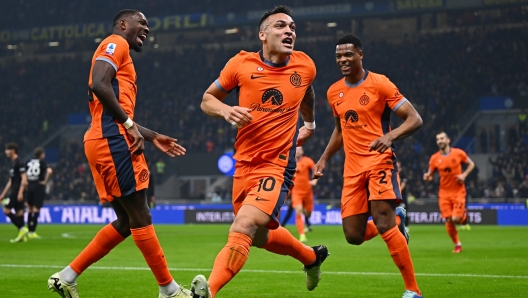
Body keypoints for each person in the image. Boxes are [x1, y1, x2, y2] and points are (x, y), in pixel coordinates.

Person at [47, 9, 209, 298]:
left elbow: (114, 108)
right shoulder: (115, 43)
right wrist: (129, 125)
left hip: (103, 138)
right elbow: (99, 84)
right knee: (141, 213)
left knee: (126, 221)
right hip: (112, 140)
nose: (146, 28)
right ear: (123, 24)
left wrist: (151, 134)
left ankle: (67, 276)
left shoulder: (122, 55)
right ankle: (169, 291)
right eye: (141, 22)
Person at [200, 6, 328, 297]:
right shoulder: (241, 64)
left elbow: (307, 91)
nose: (289, 31)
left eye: (293, 27)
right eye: (281, 26)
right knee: (258, 236)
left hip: (277, 164)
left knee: (243, 225)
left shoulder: (305, 65)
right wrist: (225, 110)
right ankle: (311, 256)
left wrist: (309, 123)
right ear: (263, 34)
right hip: (243, 165)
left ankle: (208, 291)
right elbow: (207, 99)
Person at [313, 34, 423, 298]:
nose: (343, 60)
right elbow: (340, 130)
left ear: (360, 55)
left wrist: (389, 136)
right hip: (352, 168)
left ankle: (412, 290)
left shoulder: (380, 84)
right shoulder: (333, 91)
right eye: (339, 56)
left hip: (379, 162)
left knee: (383, 223)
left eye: (348, 54)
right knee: (353, 235)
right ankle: (399, 219)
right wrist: (324, 158)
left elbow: (414, 119)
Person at [423, 131, 475, 253]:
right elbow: (430, 176)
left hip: (458, 191)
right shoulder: (434, 158)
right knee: (448, 220)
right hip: (444, 193)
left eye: (442, 138)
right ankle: (458, 244)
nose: (440, 141)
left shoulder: (458, 153)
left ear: (448, 140)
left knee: (456, 218)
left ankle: (463, 216)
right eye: (438, 139)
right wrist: (427, 177)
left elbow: (471, 164)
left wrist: (464, 175)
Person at [286, 146, 318, 242]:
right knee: (298, 211)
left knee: (308, 213)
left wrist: (315, 180)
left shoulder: (307, 161)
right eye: (297, 150)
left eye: (300, 150)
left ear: (302, 151)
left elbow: (317, 169)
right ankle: (302, 234)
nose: (298, 151)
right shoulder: (290, 162)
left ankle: (306, 222)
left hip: (308, 192)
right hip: (296, 192)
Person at [0, 142, 28, 243]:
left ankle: (22, 228)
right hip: (15, 190)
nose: (5, 152)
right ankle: (22, 236)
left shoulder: (19, 162)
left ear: (12, 151)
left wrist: (20, 192)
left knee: (6, 211)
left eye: (7, 150)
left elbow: (24, 179)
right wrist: (3, 194)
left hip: (16, 191)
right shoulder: (14, 164)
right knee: (19, 212)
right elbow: (11, 181)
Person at [25, 147, 53, 239]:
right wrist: (45, 181)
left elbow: (23, 173)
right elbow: (49, 171)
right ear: (41, 155)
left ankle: (28, 231)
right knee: (36, 209)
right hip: (38, 186)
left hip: (29, 186)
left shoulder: (28, 161)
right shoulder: (42, 162)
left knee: (29, 209)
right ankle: (32, 231)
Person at [397, 161, 410, 231]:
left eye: (398, 166)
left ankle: (406, 226)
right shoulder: (393, 174)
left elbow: (403, 185)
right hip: (395, 197)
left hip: (402, 197)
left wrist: (396, 191)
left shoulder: (403, 174)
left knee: (405, 212)